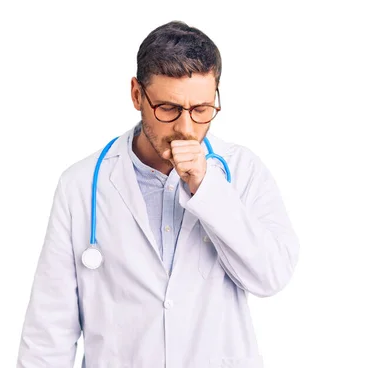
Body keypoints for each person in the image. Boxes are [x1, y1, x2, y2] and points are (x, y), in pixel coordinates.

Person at [16, 20, 300, 368]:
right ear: (137, 94)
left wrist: (206, 187)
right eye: (167, 108)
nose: (185, 127)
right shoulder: (80, 185)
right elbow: (49, 331)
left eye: (200, 110)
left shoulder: (242, 171)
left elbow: (271, 275)